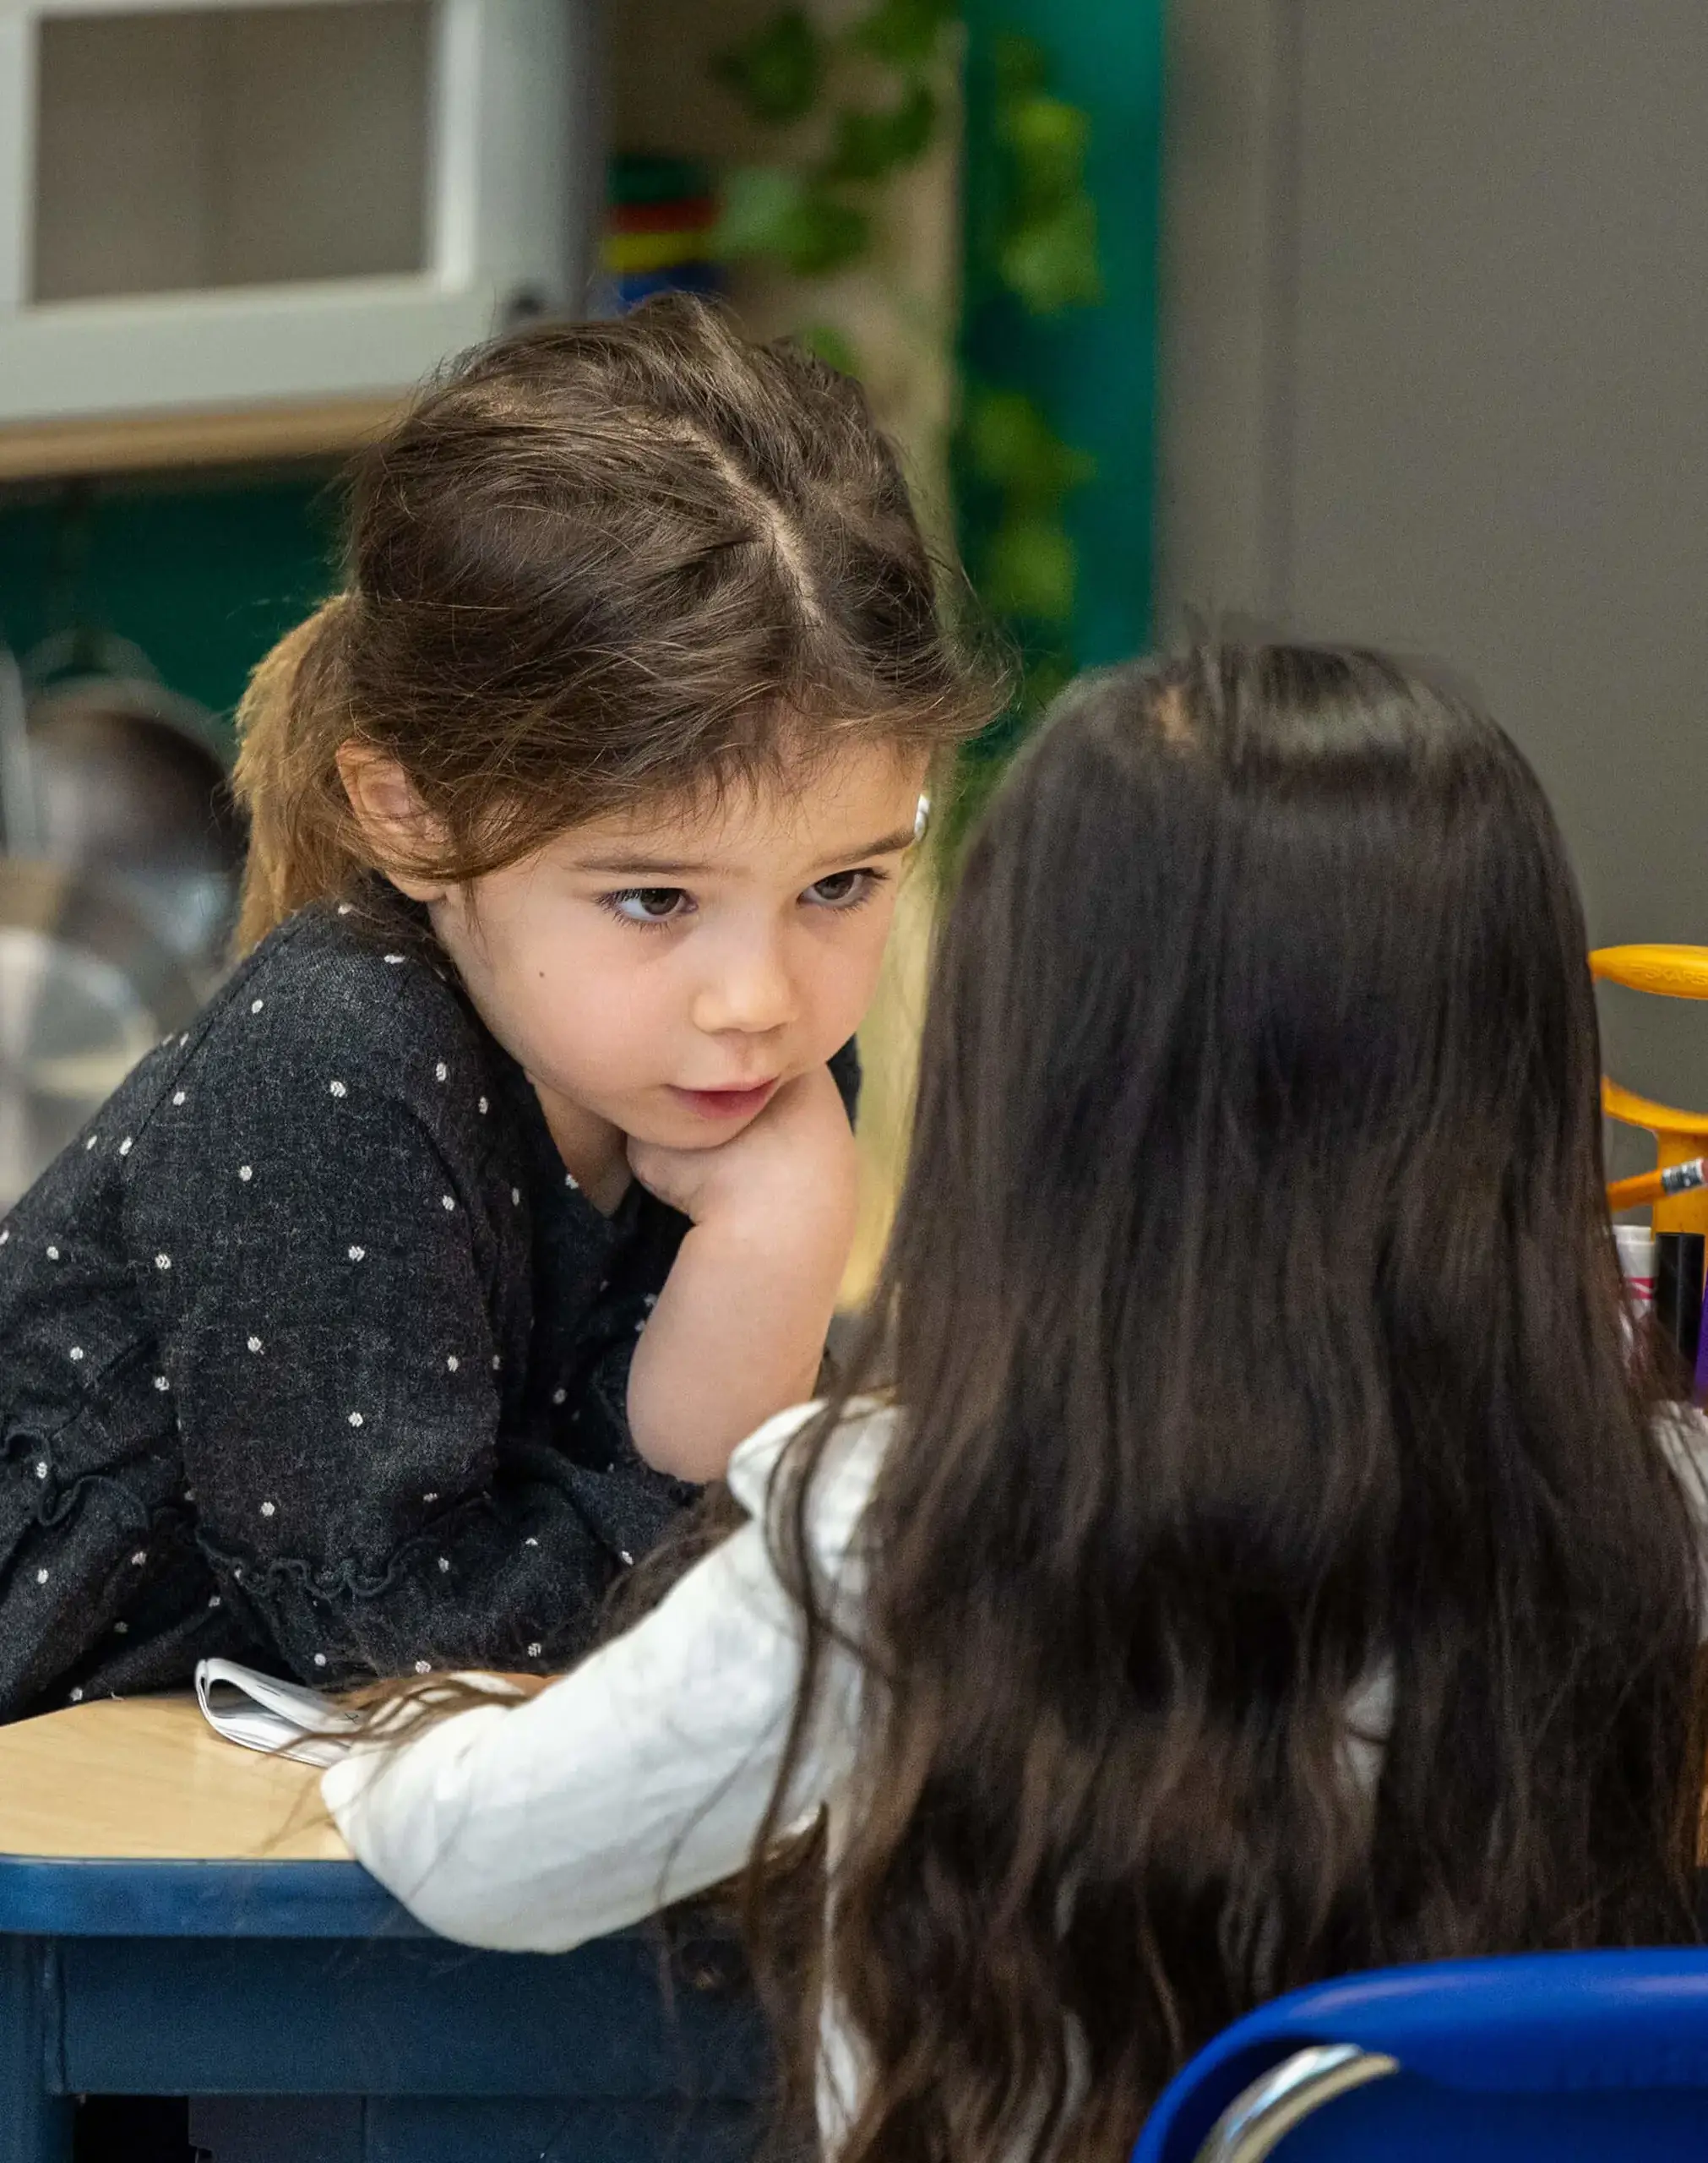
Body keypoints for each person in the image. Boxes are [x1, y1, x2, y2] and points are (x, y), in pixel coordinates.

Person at [326, 643, 1708, 2163]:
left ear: (1033, 1077)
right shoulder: (1662, 1509)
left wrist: (396, 1736)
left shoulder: (888, 1524)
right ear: (1515, 1055)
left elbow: (476, 1857)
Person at [0, 298, 998, 1723]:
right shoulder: (335, 1060)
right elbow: (397, 1634)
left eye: (840, 883)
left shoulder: (715, 1063)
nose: (760, 998)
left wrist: (765, 1261)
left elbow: (684, 1546)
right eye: (653, 899)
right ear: (407, 812)